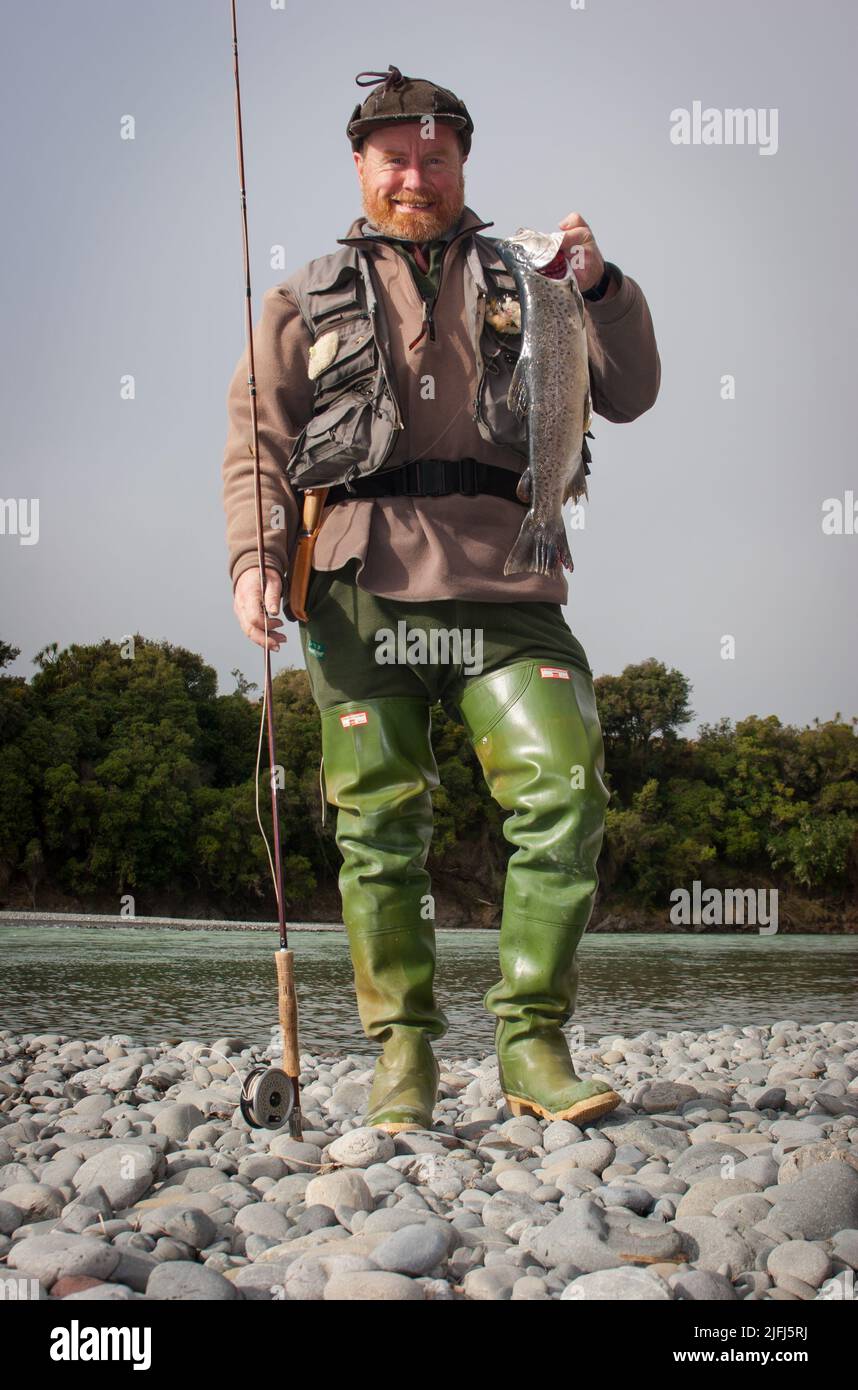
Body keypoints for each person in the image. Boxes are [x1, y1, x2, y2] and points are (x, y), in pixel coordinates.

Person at [222, 66, 661, 1133]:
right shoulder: (302, 295)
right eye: (396, 158)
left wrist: (602, 287)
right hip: (358, 590)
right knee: (378, 829)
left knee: (563, 788)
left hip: (511, 580)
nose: (416, 176)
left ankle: (532, 1038)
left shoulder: (537, 282)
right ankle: (403, 1053)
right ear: (363, 167)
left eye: (437, 157)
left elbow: (633, 393)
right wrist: (252, 559)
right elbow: (259, 445)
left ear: (463, 163)